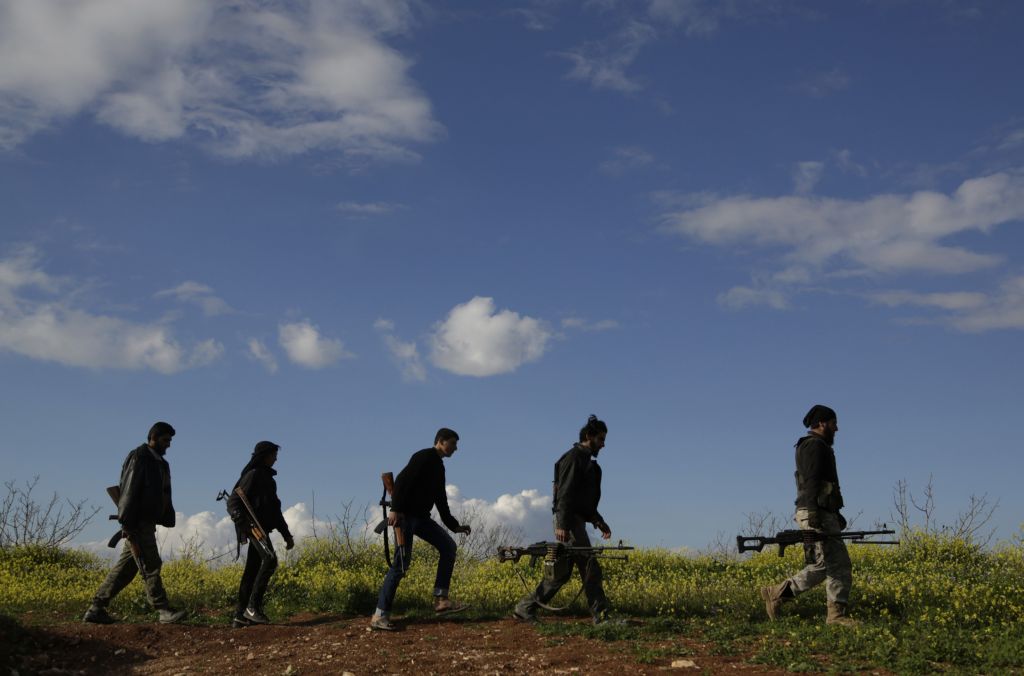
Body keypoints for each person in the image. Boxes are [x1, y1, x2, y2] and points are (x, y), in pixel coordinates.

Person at [760, 404, 857, 626]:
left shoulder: (815, 445)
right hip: (816, 511)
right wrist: (814, 512)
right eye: (834, 423)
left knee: (824, 564)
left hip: (820, 510)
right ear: (822, 423)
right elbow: (812, 480)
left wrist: (835, 512)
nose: (837, 429)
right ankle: (835, 616)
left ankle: (778, 593)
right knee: (837, 564)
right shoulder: (815, 446)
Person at [84, 422, 187, 625]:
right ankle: (162, 609)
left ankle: (96, 608)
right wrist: (127, 521)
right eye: (166, 440)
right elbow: (129, 489)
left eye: (170, 441)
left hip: (146, 520)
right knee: (151, 564)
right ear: (154, 437)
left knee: (126, 568)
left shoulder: (159, 462)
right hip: (137, 520)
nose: (169, 445)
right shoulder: (140, 457)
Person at [514, 414, 613, 625]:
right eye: (601, 439)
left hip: (572, 520)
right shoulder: (574, 458)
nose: (603, 445)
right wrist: (562, 524)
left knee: (561, 573)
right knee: (590, 567)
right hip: (569, 521)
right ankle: (601, 617)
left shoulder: (587, 463)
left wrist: (598, 520)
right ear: (589, 436)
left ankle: (525, 608)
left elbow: (584, 501)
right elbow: (565, 493)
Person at [370, 428, 472, 631]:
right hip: (405, 517)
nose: (456, 448)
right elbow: (401, 481)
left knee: (448, 547)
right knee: (401, 565)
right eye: (453, 443)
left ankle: (441, 599)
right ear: (441, 441)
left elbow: (440, 500)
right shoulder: (424, 457)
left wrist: (455, 526)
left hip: (422, 519)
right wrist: (396, 509)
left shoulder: (439, 467)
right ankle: (379, 616)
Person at [227, 441, 295, 628]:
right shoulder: (254, 475)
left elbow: (275, 510)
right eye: (273, 455)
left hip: (261, 528)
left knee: (252, 570)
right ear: (265, 456)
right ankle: (252, 608)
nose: (276, 458)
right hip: (253, 528)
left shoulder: (267, 479)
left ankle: (239, 615)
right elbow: (233, 502)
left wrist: (286, 534)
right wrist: (243, 523)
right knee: (270, 560)